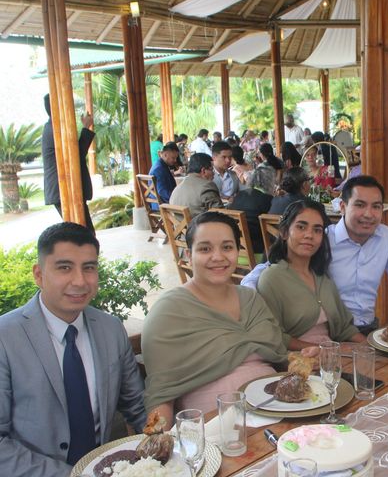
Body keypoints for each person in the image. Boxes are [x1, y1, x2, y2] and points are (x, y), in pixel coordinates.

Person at [0, 223, 146, 476]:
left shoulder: (110, 329)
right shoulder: (5, 338)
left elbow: (136, 406)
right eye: (64, 267)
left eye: (89, 268)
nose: (80, 281)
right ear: (38, 274)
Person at [142, 212, 288, 426]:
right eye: (205, 249)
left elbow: (279, 356)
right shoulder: (168, 312)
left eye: (227, 247)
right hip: (215, 429)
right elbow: (161, 394)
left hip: (278, 411)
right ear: (188, 256)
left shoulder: (250, 298)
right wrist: (161, 443)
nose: (218, 257)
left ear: (238, 252)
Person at [245, 175, 388, 334]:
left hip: (368, 327)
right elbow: (270, 268)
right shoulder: (322, 238)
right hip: (328, 331)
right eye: (360, 205)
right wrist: (248, 294)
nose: (369, 214)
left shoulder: (387, 238)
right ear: (342, 206)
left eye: (376, 207)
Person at [257, 199, 366, 349]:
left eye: (317, 230)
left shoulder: (322, 276)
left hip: (333, 355)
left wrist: (371, 347)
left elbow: (344, 329)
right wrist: (324, 351)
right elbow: (274, 336)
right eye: (301, 227)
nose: (309, 235)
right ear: (284, 232)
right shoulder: (271, 278)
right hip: (298, 360)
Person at [42, 94, 95, 233]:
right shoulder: (55, 130)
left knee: (83, 234)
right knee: (85, 234)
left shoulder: (54, 127)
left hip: (64, 187)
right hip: (63, 189)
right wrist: (86, 127)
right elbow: (75, 157)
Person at [228, 166, 276, 254]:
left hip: (236, 250)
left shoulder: (239, 195)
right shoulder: (267, 199)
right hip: (259, 253)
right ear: (270, 182)